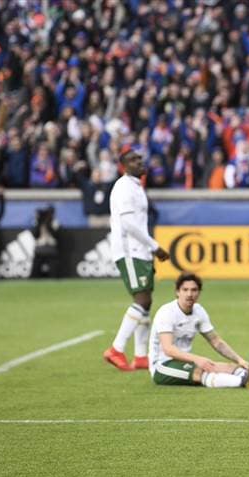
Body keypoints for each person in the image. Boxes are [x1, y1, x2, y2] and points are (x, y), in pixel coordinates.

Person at [151, 272, 249, 389]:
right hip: (162, 366)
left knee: (229, 367)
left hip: (184, 361)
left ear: (199, 292)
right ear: (177, 292)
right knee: (200, 372)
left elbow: (216, 341)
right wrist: (198, 359)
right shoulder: (167, 312)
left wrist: (239, 360)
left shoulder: (198, 311)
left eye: (194, 290)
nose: (189, 294)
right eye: (185, 290)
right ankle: (241, 381)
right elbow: (168, 349)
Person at [103, 145, 170, 372]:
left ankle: (141, 356)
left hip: (140, 251)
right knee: (141, 300)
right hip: (130, 250)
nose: (140, 162)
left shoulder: (136, 186)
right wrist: (155, 246)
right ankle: (116, 349)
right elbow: (128, 224)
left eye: (140, 158)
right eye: (133, 159)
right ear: (123, 166)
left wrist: (148, 249)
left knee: (146, 301)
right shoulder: (123, 187)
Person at [30, 205, 61, 278]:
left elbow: (57, 235)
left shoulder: (54, 222)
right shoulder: (38, 222)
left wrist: (48, 223)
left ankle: (54, 279)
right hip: (40, 248)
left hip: (51, 248)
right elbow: (35, 235)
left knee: (54, 269)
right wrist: (39, 221)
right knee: (35, 269)